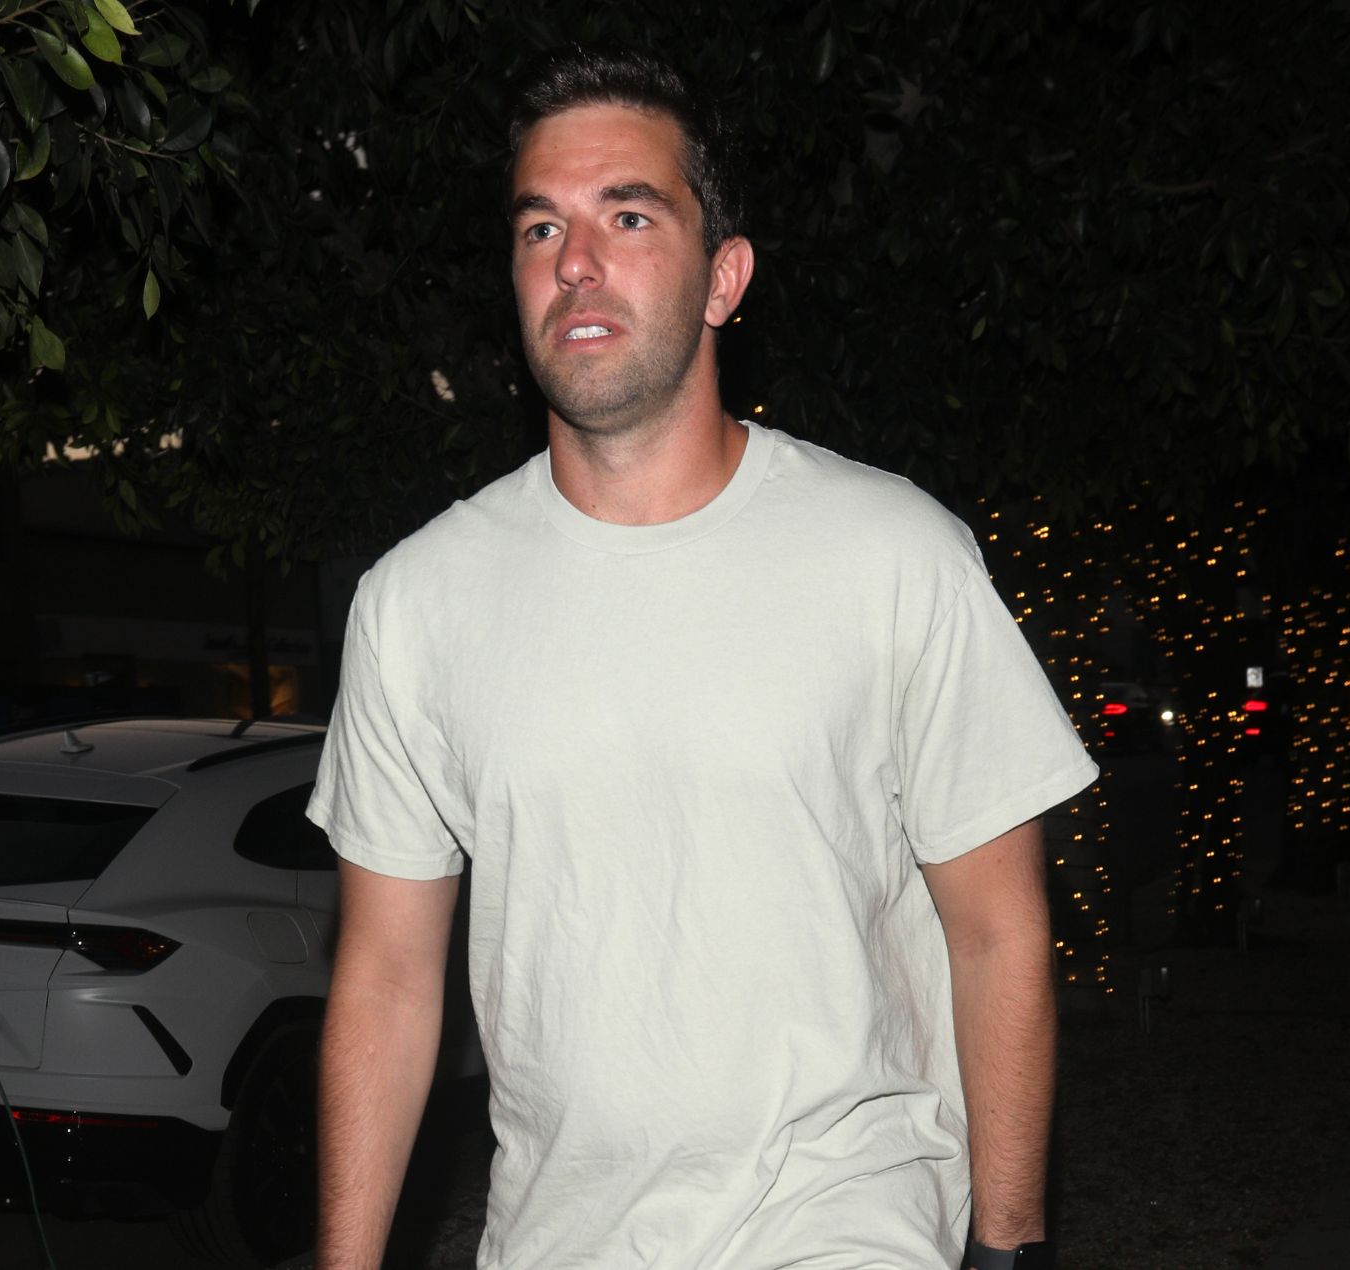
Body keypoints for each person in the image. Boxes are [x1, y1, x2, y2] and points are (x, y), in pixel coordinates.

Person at [309, 46, 1097, 1270]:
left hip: (846, 1221)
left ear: (723, 277)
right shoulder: (415, 605)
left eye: (628, 215)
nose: (575, 260)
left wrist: (1008, 1247)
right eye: (539, 227)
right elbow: (386, 978)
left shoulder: (891, 553)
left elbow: (995, 930)